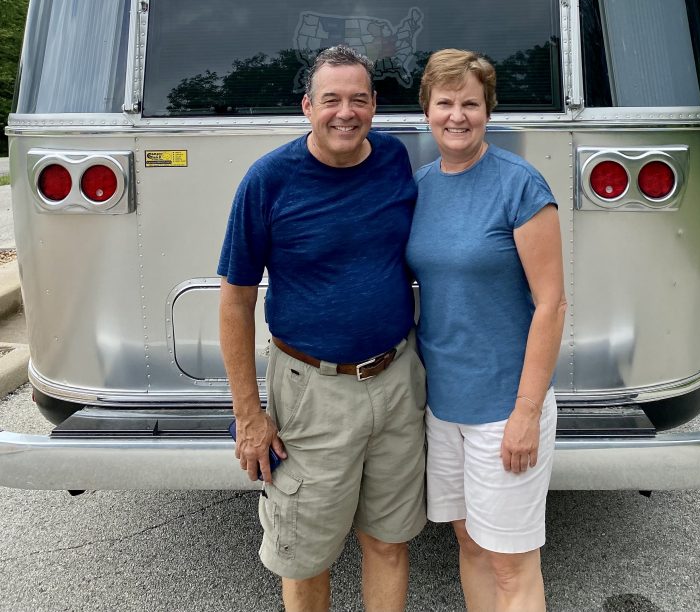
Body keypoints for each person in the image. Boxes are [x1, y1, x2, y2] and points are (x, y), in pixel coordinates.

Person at [218, 44, 426, 612]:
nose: (345, 112)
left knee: (389, 541)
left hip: (397, 379)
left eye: (359, 99)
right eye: (331, 99)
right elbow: (235, 301)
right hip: (312, 392)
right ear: (307, 106)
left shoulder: (393, 161)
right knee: (306, 558)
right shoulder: (268, 181)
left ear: (374, 105)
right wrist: (248, 416)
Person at [406, 49, 566, 612]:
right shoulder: (420, 187)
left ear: (488, 111)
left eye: (470, 104)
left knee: (511, 565)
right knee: (470, 543)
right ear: (427, 110)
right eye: (445, 102)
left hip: (504, 406)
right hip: (444, 405)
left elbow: (551, 305)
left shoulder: (519, 185)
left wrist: (526, 413)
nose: (457, 115)